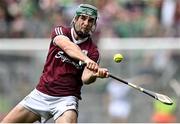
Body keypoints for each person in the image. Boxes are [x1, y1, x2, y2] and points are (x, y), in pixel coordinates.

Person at [1, 4, 109, 123]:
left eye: (90, 20)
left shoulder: (93, 51)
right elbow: (68, 47)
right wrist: (86, 60)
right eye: (83, 18)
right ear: (76, 19)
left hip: (66, 100)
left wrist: (95, 74)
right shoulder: (60, 31)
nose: (86, 23)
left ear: (94, 24)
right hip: (41, 94)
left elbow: (85, 78)